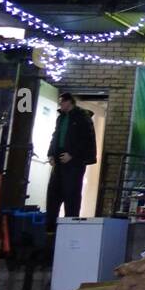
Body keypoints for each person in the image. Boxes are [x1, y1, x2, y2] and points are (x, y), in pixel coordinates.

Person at [45, 92, 97, 231]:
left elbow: (85, 139)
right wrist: (51, 153)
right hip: (60, 159)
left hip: (74, 162)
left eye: (62, 102)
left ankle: (69, 225)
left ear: (69, 102)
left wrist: (72, 154)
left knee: (71, 193)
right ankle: (50, 226)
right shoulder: (61, 118)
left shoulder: (82, 117)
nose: (60, 104)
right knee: (54, 193)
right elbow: (55, 136)